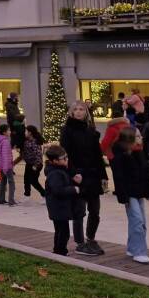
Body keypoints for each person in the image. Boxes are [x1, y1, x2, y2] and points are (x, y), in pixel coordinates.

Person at [60, 100, 107, 255]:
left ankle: (91, 238)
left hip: (93, 175)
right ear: (72, 112)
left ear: (86, 112)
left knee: (95, 211)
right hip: (78, 175)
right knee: (79, 211)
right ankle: (80, 243)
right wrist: (73, 173)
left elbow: (98, 155)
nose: (79, 112)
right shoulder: (67, 130)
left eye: (82, 109)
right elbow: (65, 154)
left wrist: (103, 176)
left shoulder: (91, 130)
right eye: (76, 109)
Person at [109, 126, 149, 264]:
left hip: (138, 191)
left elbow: (146, 173)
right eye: (138, 136)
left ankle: (132, 247)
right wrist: (123, 195)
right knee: (138, 221)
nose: (141, 138)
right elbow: (119, 177)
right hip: (130, 193)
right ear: (130, 139)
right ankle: (139, 251)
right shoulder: (121, 156)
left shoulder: (139, 152)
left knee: (139, 221)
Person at [43, 145, 80, 257]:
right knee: (63, 232)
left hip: (59, 207)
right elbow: (58, 190)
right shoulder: (55, 173)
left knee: (60, 230)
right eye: (63, 158)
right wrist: (73, 189)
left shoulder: (60, 170)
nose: (66, 160)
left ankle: (58, 250)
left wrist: (73, 181)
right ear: (55, 161)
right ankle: (60, 252)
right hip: (58, 207)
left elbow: (63, 184)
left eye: (66, 157)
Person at [19, 125, 45, 198]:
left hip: (36, 164)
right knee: (26, 180)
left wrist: (35, 166)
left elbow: (38, 155)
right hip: (29, 164)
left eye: (26, 131)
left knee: (33, 181)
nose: (25, 133)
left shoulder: (35, 142)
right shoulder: (26, 140)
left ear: (30, 132)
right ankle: (27, 195)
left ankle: (45, 194)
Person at [0, 124, 16, 206]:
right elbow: (5, 156)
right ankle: (11, 201)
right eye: (8, 130)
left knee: (3, 182)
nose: (10, 132)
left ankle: (0, 199)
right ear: (4, 132)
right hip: (6, 166)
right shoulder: (5, 141)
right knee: (11, 183)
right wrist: (6, 168)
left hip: (1, 165)